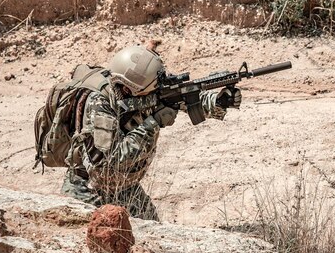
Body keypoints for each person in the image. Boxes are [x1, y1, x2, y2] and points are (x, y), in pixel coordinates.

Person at [61, 43, 241, 221]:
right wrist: (153, 123)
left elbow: (180, 98)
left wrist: (218, 102)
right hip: (88, 190)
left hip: (125, 187)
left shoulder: (140, 90)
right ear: (128, 89)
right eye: (153, 88)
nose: (157, 91)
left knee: (153, 230)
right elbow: (110, 162)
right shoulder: (99, 104)